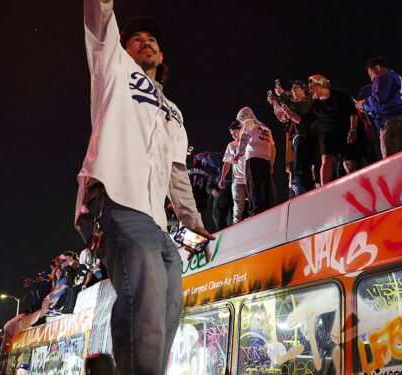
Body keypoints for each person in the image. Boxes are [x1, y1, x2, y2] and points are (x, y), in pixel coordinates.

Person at [74, 0, 213, 373]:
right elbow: (99, 19)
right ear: (123, 47)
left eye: (152, 39)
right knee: (146, 297)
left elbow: (176, 171)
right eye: (135, 39)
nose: (145, 43)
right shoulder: (113, 69)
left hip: (154, 219)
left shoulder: (174, 111)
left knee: (169, 304)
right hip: (118, 199)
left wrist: (192, 218)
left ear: (162, 53)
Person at [306, 74, 360, 185]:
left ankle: (354, 185)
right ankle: (323, 189)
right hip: (328, 136)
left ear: (319, 85)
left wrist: (353, 129)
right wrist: (288, 112)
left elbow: (353, 112)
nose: (309, 91)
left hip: (345, 133)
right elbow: (304, 120)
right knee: (326, 160)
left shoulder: (339, 94)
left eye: (311, 88)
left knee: (349, 163)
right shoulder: (315, 106)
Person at [356, 56, 402, 158]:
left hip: (392, 121)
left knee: (391, 160)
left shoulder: (383, 76)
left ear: (377, 68)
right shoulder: (398, 77)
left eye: (370, 74)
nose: (371, 78)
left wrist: (364, 104)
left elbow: (379, 99)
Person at [270, 80, 320, 196]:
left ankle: (312, 190)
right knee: (301, 167)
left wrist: (282, 95)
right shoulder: (292, 103)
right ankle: (306, 193)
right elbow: (286, 110)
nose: (294, 89)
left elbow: (298, 108)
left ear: (304, 89)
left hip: (311, 136)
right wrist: (278, 98)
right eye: (292, 88)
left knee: (309, 165)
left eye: (297, 87)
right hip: (299, 136)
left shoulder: (309, 101)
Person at [233, 107, 276, 217]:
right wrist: (271, 162)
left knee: (253, 186)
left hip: (253, 157)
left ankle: (255, 211)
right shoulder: (265, 126)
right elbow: (273, 147)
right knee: (266, 187)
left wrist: (238, 153)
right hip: (266, 158)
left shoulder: (249, 123)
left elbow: (245, 138)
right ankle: (269, 209)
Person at [221, 121, 249, 224]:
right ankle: (236, 229)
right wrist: (222, 178)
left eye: (235, 131)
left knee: (254, 205)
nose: (234, 135)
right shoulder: (231, 145)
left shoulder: (249, 140)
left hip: (250, 179)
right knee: (238, 208)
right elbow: (227, 162)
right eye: (232, 133)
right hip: (237, 180)